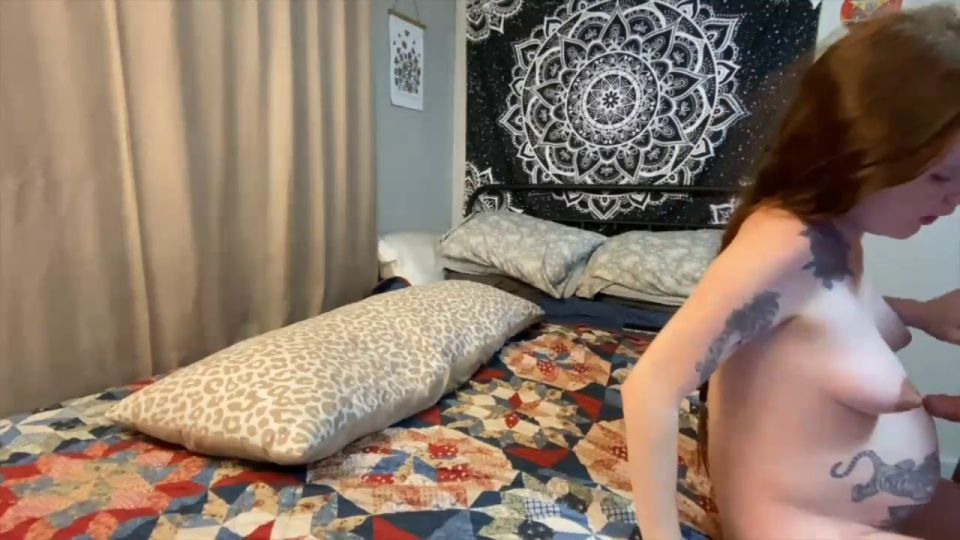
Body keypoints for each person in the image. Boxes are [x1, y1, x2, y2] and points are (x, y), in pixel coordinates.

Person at [622, 6, 960, 540]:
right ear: (864, 146)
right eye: (941, 177)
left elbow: (819, 325)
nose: (954, 200)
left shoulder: (839, 231)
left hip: (870, 507)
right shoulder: (782, 245)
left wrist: (926, 313)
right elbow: (650, 389)